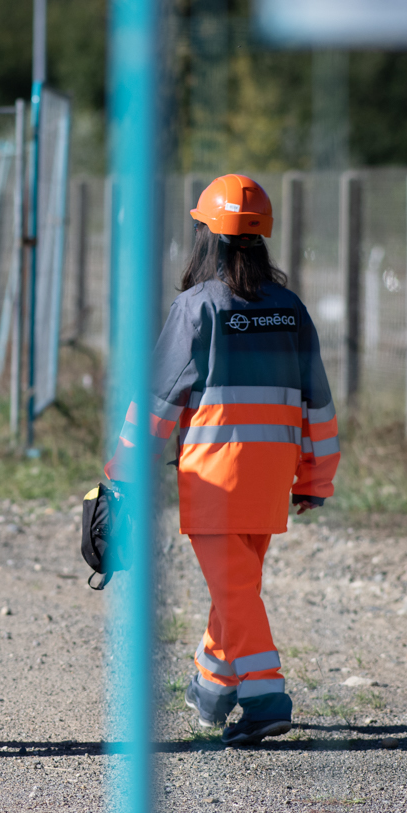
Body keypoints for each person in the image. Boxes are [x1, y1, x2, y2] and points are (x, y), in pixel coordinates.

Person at [110, 174, 340, 746]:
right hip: (270, 480)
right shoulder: (290, 310)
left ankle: (266, 699)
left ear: (205, 238)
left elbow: (158, 400)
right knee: (235, 588)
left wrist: (123, 473)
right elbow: (319, 402)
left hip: (214, 477)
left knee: (234, 590)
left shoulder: (196, 308)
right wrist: (315, 478)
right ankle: (212, 690)